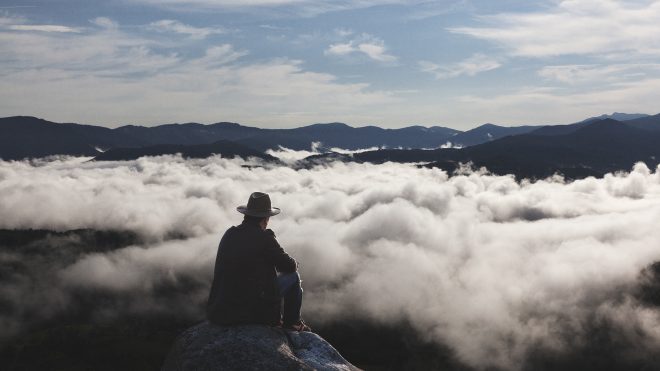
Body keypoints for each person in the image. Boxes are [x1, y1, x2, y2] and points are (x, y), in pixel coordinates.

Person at [207, 192, 310, 331]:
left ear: (246, 215)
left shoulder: (229, 234)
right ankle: (292, 322)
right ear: (265, 219)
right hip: (251, 313)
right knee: (293, 277)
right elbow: (290, 266)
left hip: (221, 311)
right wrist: (294, 262)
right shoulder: (264, 238)